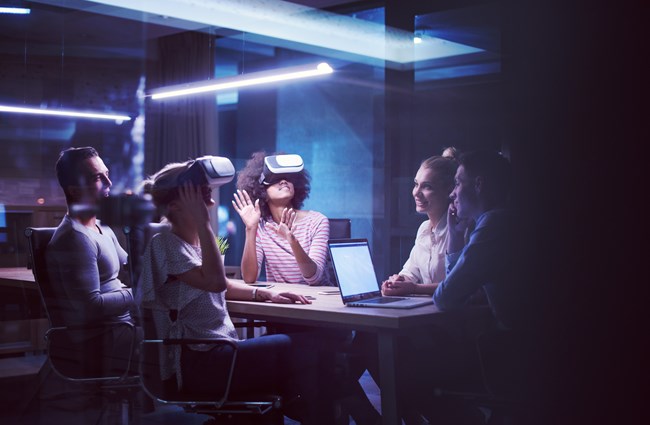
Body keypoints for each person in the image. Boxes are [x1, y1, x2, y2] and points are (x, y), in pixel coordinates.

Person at [137, 160, 333, 424]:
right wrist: (205, 223)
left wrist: (264, 294)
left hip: (221, 351)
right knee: (304, 348)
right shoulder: (165, 243)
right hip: (198, 361)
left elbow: (223, 285)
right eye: (196, 191)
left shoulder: (192, 242)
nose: (206, 193)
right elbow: (215, 282)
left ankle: (309, 410)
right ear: (175, 204)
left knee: (310, 369)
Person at [47, 146, 140, 376]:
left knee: (184, 327)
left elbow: (133, 269)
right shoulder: (75, 238)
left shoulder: (102, 228)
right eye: (98, 177)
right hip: (104, 339)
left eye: (107, 173)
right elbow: (91, 306)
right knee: (178, 339)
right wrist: (138, 292)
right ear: (75, 190)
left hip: (123, 327)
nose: (109, 182)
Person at [232, 151, 330, 285]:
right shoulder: (261, 226)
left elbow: (314, 278)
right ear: (262, 191)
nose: (284, 181)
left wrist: (292, 240)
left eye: (288, 177)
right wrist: (250, 229)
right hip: (281, 300)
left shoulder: (317, 221)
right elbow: (249, 278)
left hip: (317, 302)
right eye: (275, 179)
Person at [381, 155, 458, 297]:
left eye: (427, 186)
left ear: (449, 191)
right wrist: (397, 281)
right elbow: (410, 271)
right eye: (416, 184)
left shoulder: (459, 231)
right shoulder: (424, 229)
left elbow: (458, 285)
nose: (416, 192)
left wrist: (414, 288)